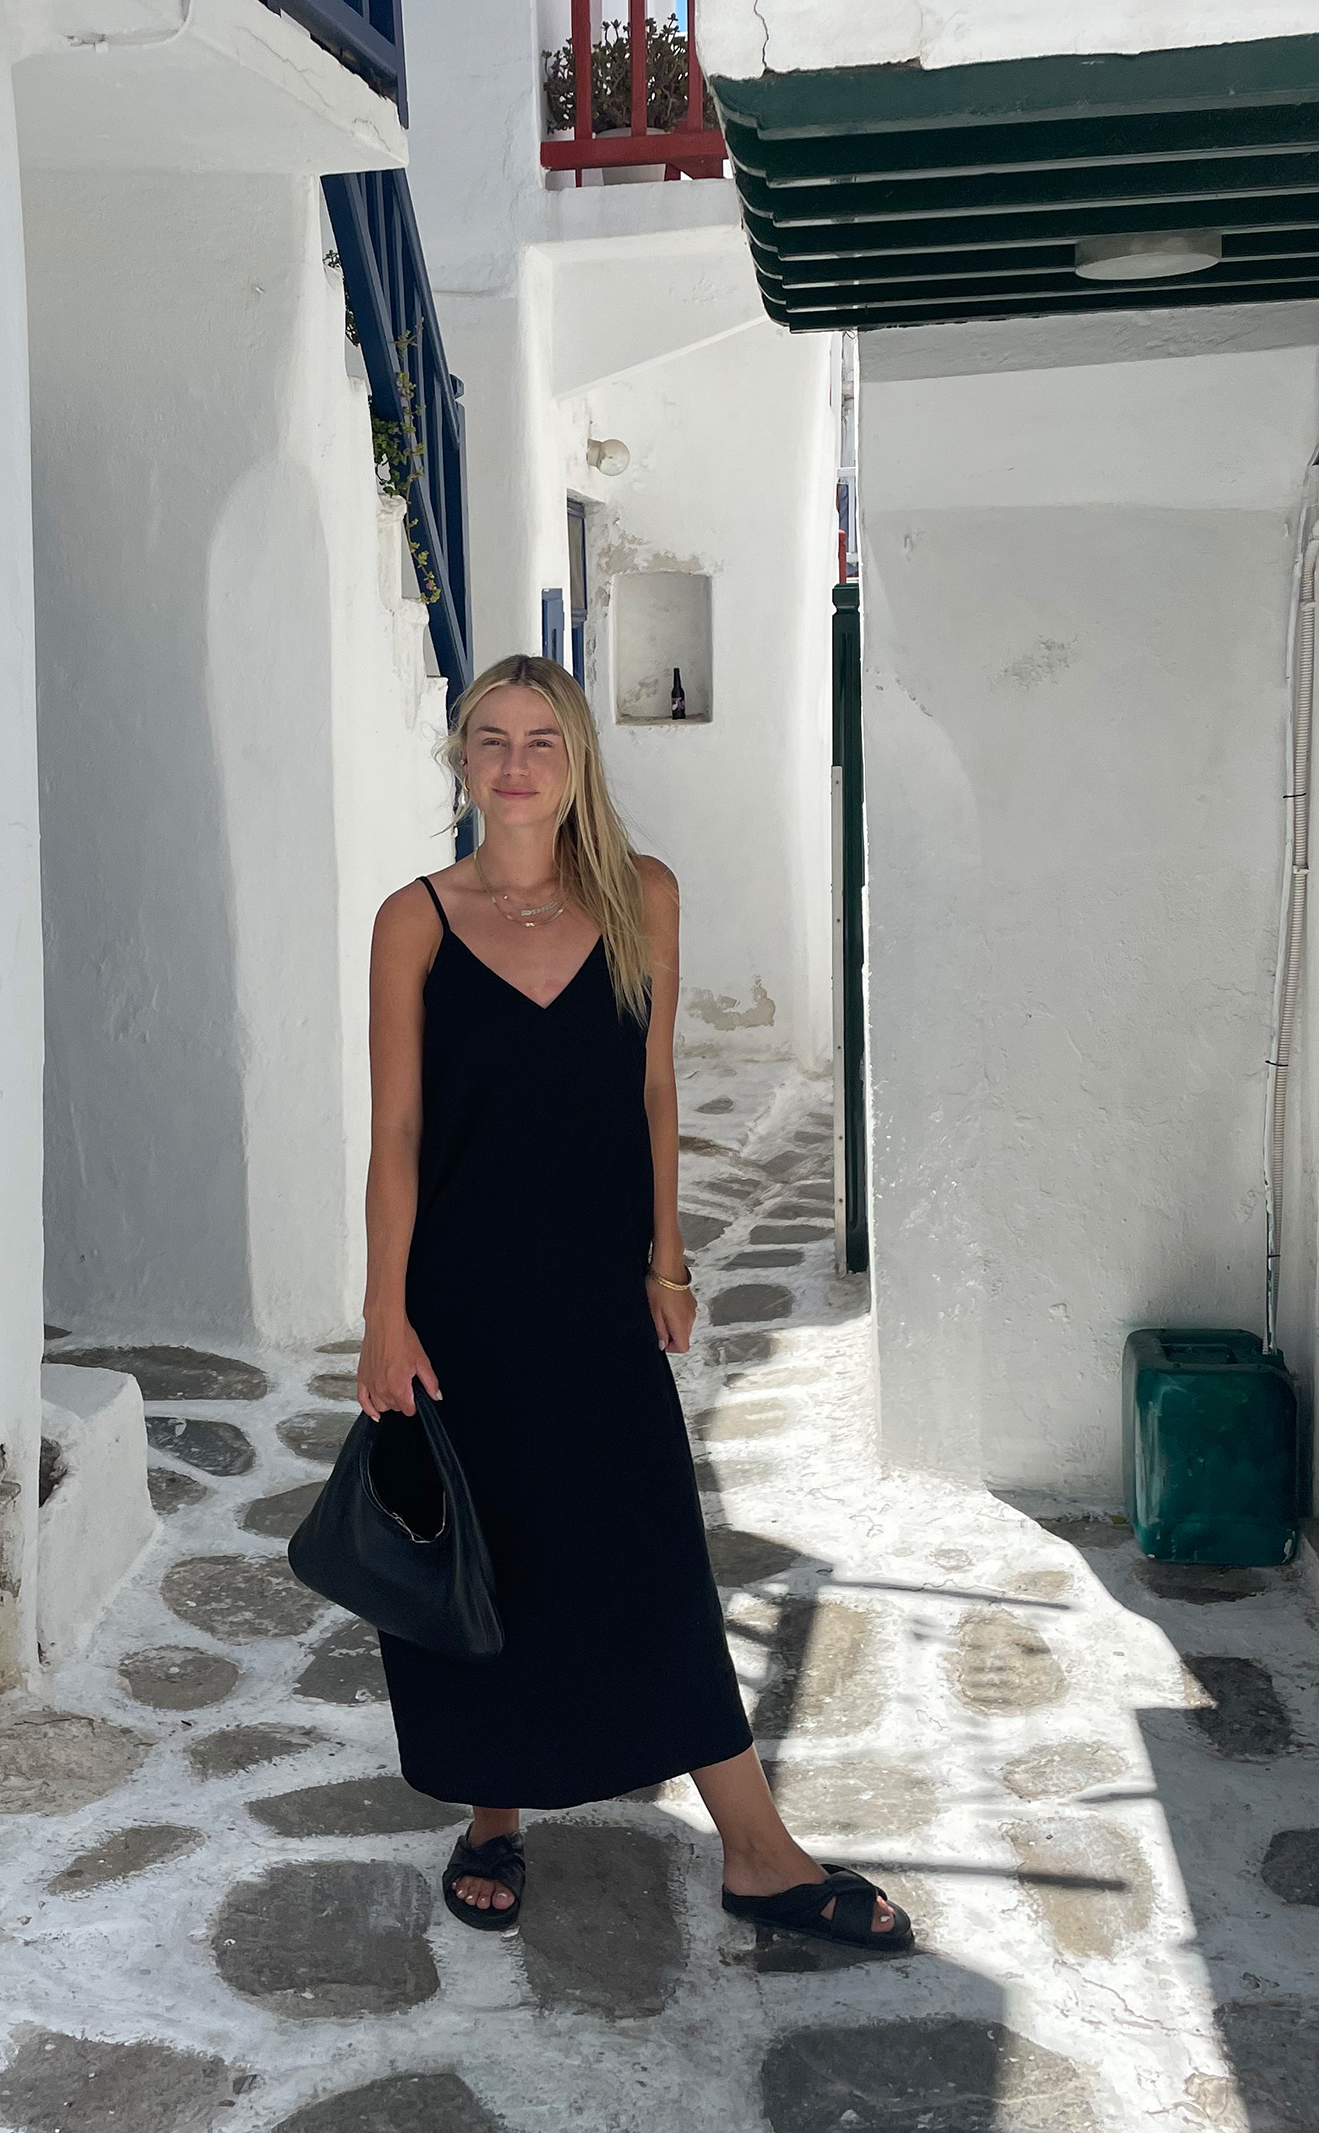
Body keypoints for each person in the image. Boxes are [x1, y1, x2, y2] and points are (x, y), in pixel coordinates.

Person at [355, 654, 909, 1953]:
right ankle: (494, 1816)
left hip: (595, 1284)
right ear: (461, 761)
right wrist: (385, 1312)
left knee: (649, 1548)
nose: (514, 764)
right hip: (462, 1294)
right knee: (484, 1549)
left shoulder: (641, 897)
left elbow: (654, 1089)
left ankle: (756, 1851)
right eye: (490, 739)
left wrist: (668, 1257)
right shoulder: (415, 921)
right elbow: (396, 1131)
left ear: (578, 760)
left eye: (541, 740)